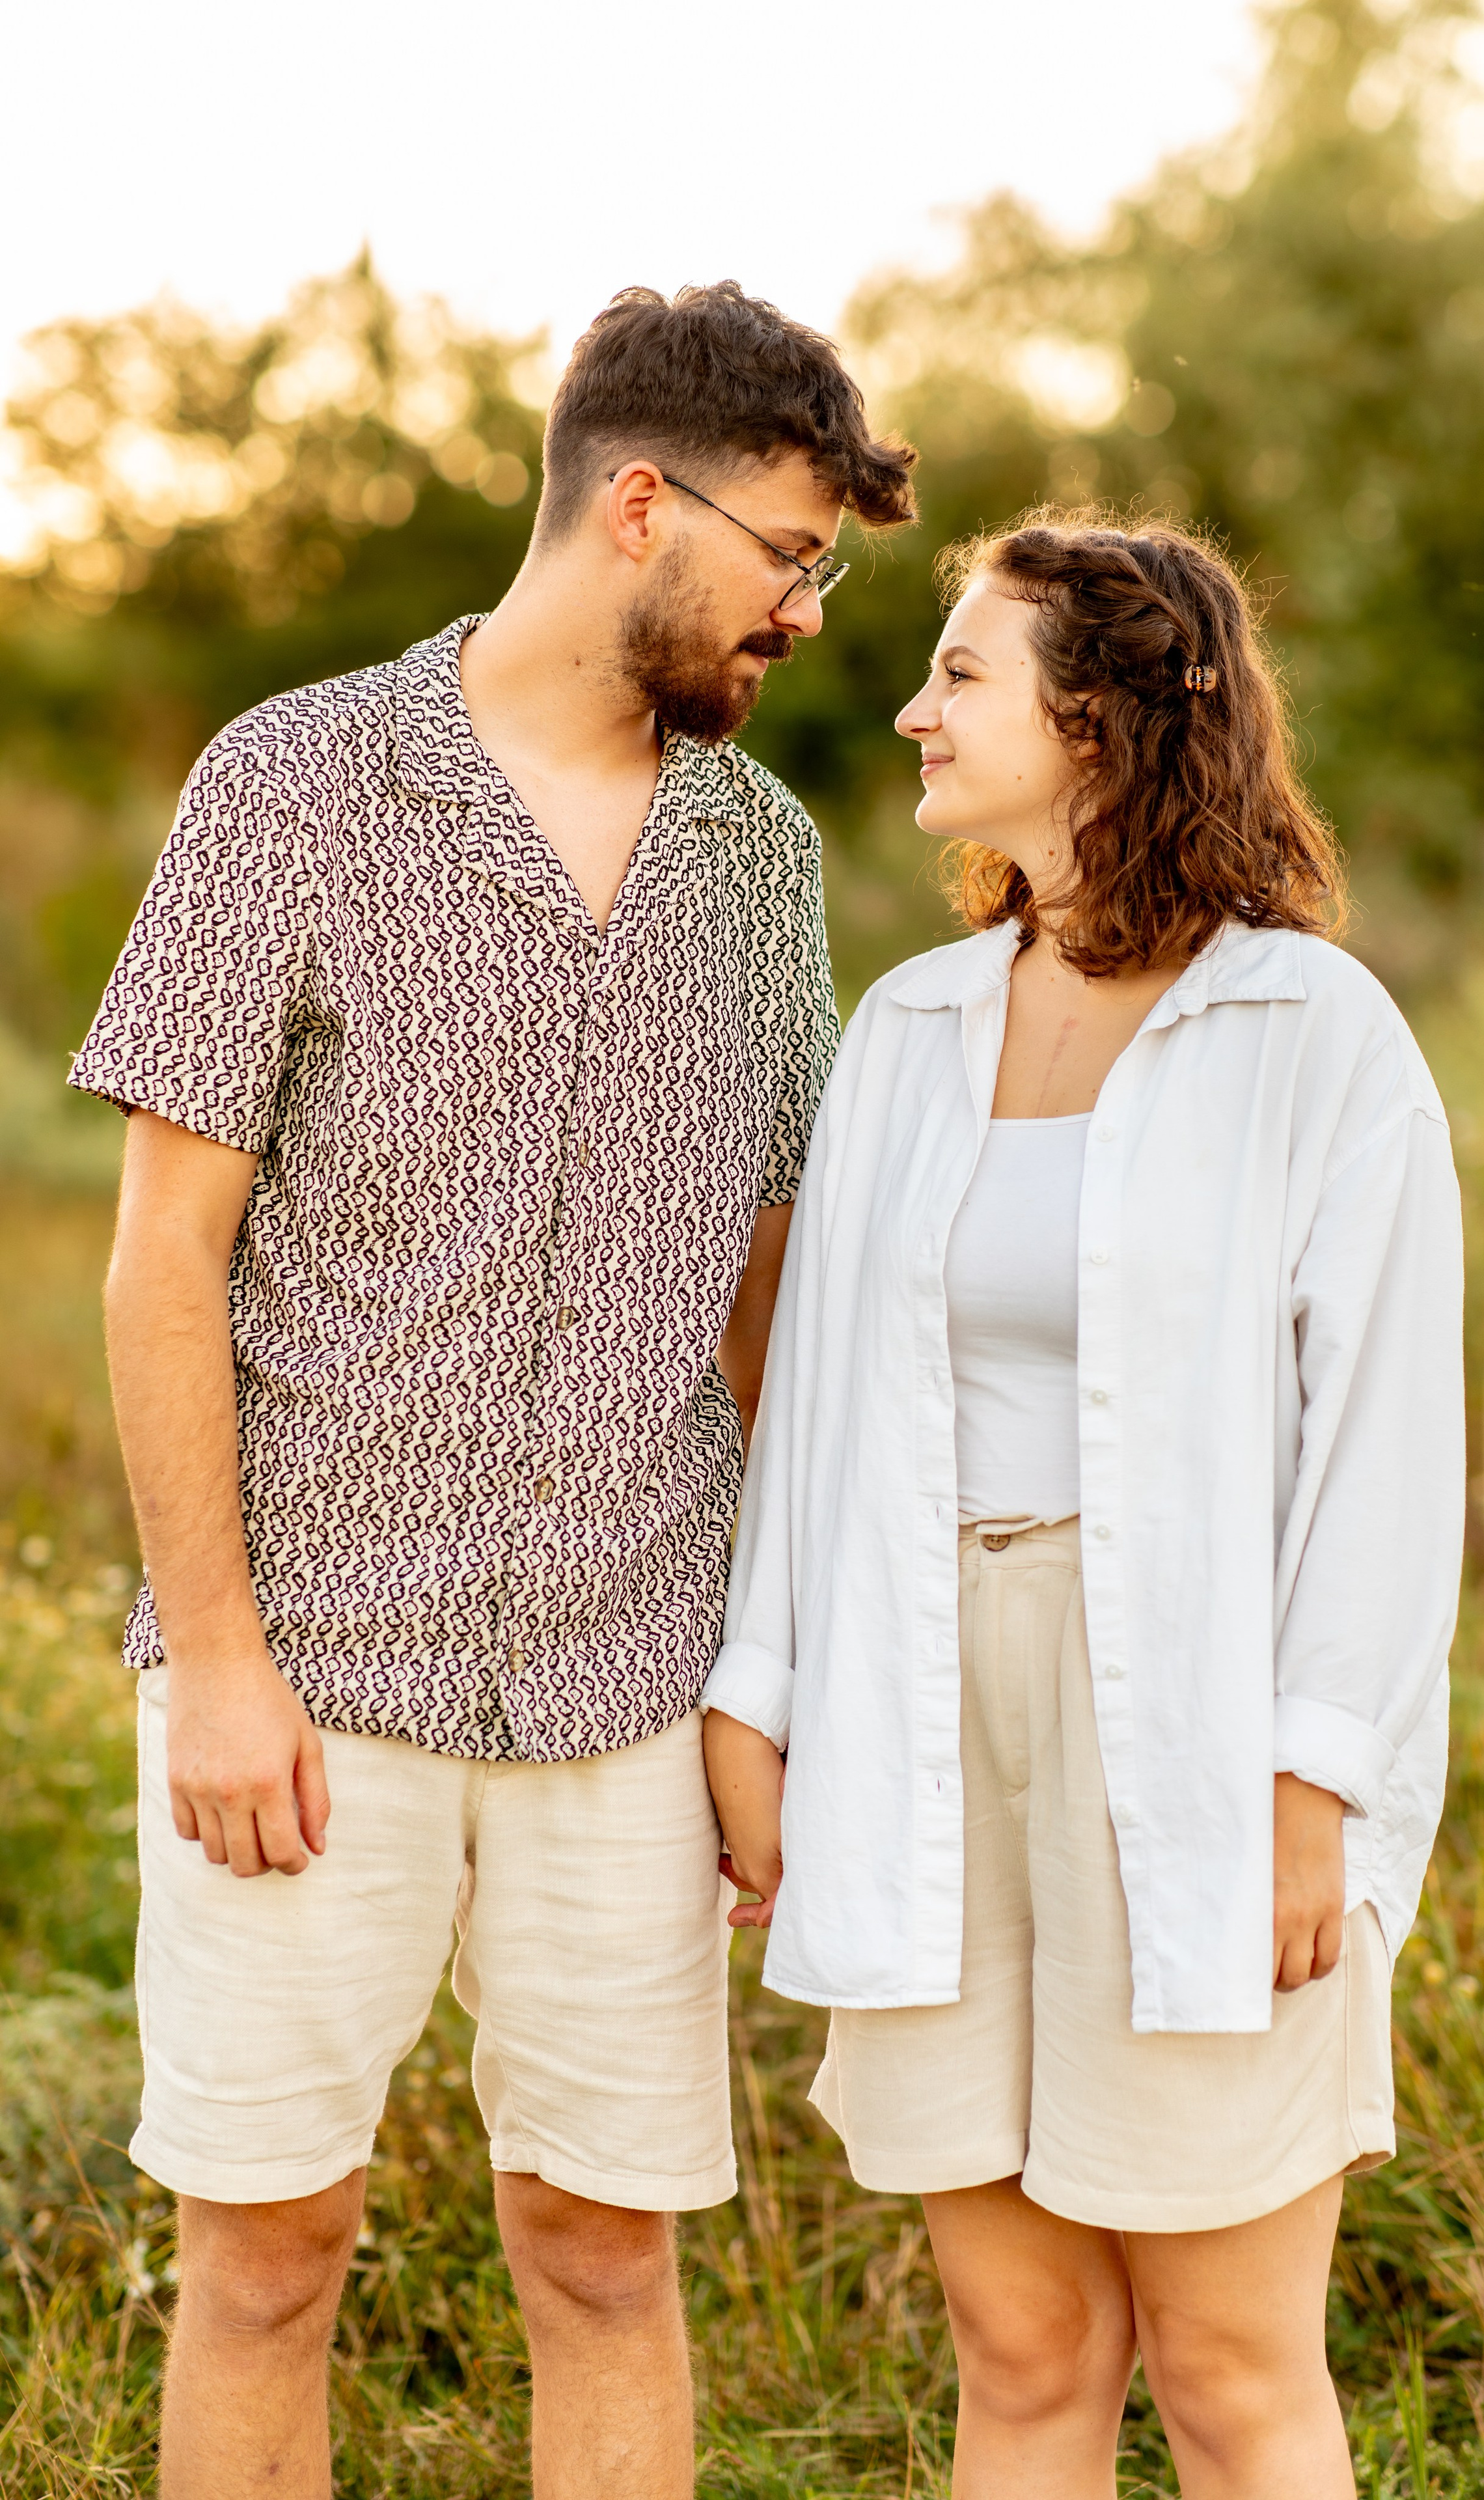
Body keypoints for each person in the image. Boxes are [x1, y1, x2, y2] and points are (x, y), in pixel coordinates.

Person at [70, 281, 915, 2500]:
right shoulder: (291, 784)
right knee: (267, 2258)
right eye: (789, 556)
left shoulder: (764, 864)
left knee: (606, 2259)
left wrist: (773, 1679)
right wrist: (219, 1660)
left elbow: (773, 1293)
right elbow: (163, 1260)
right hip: (307, 1678)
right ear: (640, 506)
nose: (805, 613)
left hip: (633, 1683)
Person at [702, 514, 1465, 2498]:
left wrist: (1314, 1786)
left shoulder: (1313, 1036)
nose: (911, 709)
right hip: (925, 1711)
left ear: (1102, 721)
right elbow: (819, 1402)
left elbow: (1389, 1447)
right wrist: (759, 1698)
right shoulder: (908, 1033)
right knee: (1025, 2349)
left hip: (1203, 1729)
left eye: (959, 673)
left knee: (1228, 2368)